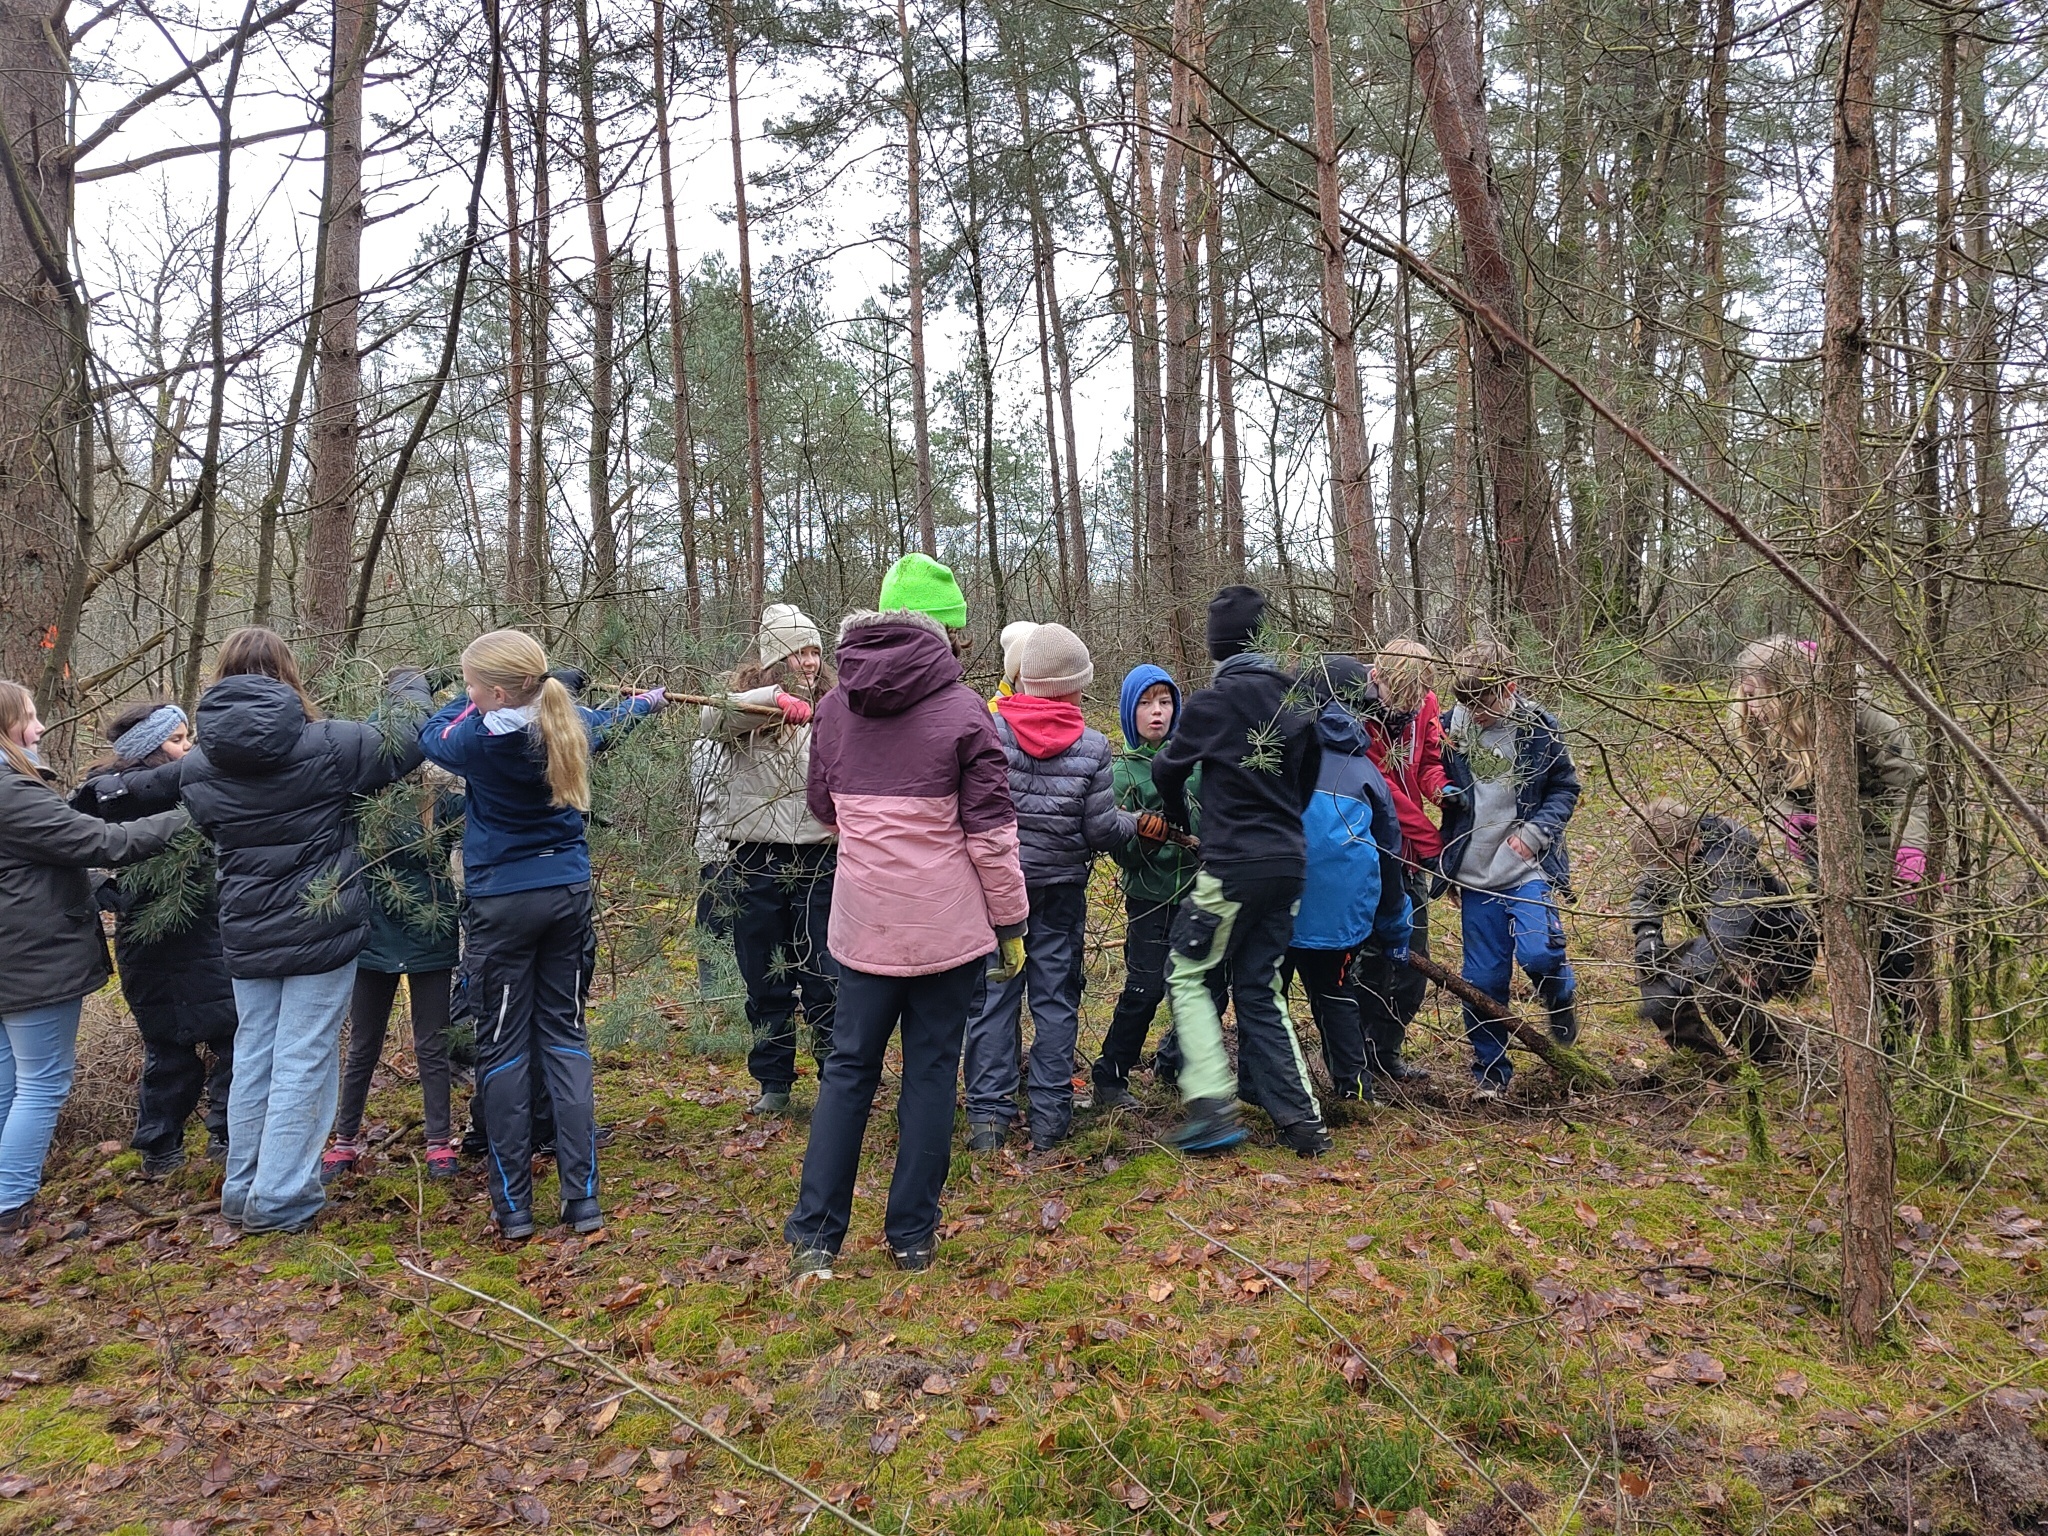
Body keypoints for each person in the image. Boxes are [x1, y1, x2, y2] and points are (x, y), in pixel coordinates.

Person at [84, 630, 434, 1234]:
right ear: (289, 677)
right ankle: (281, 1196)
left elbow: (124, 794)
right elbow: (405, 738)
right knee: (304, 1058)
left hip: (246, 932)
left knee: (254, 1056)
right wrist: (409, 683)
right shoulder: (329, 745)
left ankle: (245, 1188)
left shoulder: (199, 765)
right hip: (321, 930)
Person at [785, 553, 1027, 1277]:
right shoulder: (964, 713)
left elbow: (822, 806)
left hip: (862, 926)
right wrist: (1011, 924)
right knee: (929, 1072)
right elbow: (991, 837)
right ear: (949, 633)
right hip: (947, 930)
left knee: (848, 1072)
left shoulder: (832, 706)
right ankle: (911, 1237)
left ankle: (815, 1237)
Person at [420, 630, 665, 1242]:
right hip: (567, 896)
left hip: (501, 905)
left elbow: (430, 733)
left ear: (497, 692)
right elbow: (615, 719)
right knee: (563, 1037)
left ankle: (514, 1208)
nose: (467, 693)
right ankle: (582, 1201)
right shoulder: (569, 721)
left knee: (502, 1047)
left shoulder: (477, 738)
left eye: (473, 683)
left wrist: (459, 700)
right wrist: (651, 702)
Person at [0, 683, 188, 1233]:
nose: (38, 729)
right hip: (30, 959)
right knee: (43, 1083)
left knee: (9, 1084)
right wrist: (196, 815)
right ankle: (10, 1208)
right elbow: (107, 841)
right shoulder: (10, 790)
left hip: (13, 957)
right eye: (27, 719)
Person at [1151, 585, 1325, 1156]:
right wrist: (1281, 828)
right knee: (1261, 986)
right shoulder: (1298, 703)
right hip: (1288, 864)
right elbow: (1306, 781)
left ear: (1218, 646)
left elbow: (1166, 770)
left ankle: (1210, 1106)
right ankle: (1304, 1123)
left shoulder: (1211, 703)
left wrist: (1184, 822)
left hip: (1230, 865)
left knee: (1187, 971)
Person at [962, 624, 1134, 1152]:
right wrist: (1136, 824)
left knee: (993, 1000)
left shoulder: (990, 730)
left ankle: (988, 1123)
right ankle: (1049, 1122)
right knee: (1055, 1001)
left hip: (997, 892)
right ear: (1076, 686)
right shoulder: (1093, 746)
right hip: (1059, 893)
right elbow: (1101, 829)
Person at [1728, 635, 1928, 1028]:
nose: (1751, 707)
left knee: (1895, 949)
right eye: (1746, 694)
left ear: (1790, 688)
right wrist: (1789, 818)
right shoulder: (1759, 724)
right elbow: (1771, 786)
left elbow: (1909, 787)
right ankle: (1861, 1038)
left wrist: (1911, 852)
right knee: (1844, 944)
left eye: (1760, 695)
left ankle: (1900, 1044)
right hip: (1824, 849)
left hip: (1888, 847)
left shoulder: (1864, 716)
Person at [78, 701, 237, 1178]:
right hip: (146, 942)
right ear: (146, 749)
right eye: (176, 740)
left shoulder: (199, 786)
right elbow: (61, 846)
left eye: (189, 737)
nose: (187, 748)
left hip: (209, 931)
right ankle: (160, 1147)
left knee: (232, 1037)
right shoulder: (101, 796)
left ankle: (226, 1136)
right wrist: (103, 888)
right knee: (167, 1048)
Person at [698, 604, 838, 1115]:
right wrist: (771, 701)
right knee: (764, 975)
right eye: (797, 651)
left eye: (815, 651)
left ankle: (835, 1075)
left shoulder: (834, 702)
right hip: (755, 855)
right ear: (776, 657)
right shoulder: (744, 704)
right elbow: (712, 716)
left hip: (824, 856)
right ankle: (773, 1081)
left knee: (826, 973)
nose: (808, 661)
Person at [1438, 639, 1581, 1100]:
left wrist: (1536, 832)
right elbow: (1426, 773)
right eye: (1466, 702)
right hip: (1475, 874)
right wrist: (1447, 864)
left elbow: (1565, 786)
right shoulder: (1449, 729)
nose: (1475, 712)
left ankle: (1559, 996)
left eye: (1484, 702)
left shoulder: (1538, 727)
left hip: (1526, 866)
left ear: (1510, 686)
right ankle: (1491, 1073)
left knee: (1540, 953)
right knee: (1483, 981)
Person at [323, 765, 465, 1182]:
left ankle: (439, 1141)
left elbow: (488, 816)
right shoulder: (359, 803)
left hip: (430, 936)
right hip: (372, 937)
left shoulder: (442, 802)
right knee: (364, 1044)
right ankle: (344, 1140)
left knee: (432, 1044)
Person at [1281, 658, 1413, 1105]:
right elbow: (1390, 856)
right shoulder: (1366, 773)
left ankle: (1268, 1086)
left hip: (1278, 906)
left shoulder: (1280, 757)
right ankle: (1354, 1090)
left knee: (1266, 998)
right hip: (1339, 918)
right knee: (1335, 992)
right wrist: (1396, 925)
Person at [1629, 798, 1817, 1063]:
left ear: (1689, 844)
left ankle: (1781, 1054)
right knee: (1652, 966)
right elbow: (1646, 895)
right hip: (1729, 942)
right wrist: (1647, 935)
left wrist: (1681, 979)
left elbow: (1726, 930)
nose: (1660, 871)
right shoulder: (1671, 853)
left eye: (1662, 863)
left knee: (1717, 990)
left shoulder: (1732, 863)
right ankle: (1703, 1060)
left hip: (1782, 947)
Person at [1091, 664, 1198, 1106]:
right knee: (1145, 987)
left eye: (1165, 701)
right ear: (1128, 711)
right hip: (1148, 898)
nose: (1157, 712)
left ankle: (1173, 1061)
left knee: (1201, 985)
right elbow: (1123, 853)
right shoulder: (1121, 775)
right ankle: (1110, 1075)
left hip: (1197, 891)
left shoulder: (1194, 762)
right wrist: (1146, 840)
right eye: (1146, 703)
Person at [1351, 639, 1449, 1084]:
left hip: (1409, 857)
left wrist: (1442, 791)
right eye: (1403, 694)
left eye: (1419, 696)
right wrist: (1430, 840)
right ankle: (1355, 1056)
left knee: (1412, 963)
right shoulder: (1358, 713)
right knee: (1367, 960)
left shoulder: (1426, 702)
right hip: (1368, 853)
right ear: (1380, 679)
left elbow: (1428, 759)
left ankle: (1387, 1052)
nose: (1411, 704)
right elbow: (1383, 792)